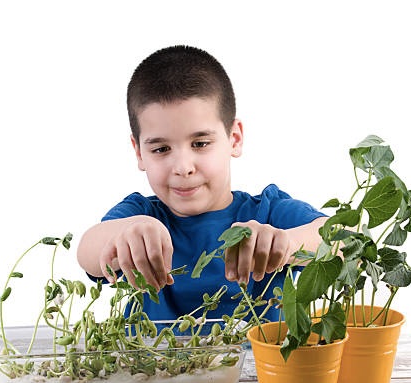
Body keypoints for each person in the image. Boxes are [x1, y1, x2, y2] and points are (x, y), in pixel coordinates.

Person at [77, 45, 326, 322]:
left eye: (200, 143)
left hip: (256, 365)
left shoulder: (268, 212)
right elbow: (88, 250)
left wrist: (288, 244)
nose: (183, 167)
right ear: (139, 153)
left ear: (234, 138)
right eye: (161, 149)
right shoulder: (140, 214)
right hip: (154, 365)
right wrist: (128, 233)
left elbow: (347, 237)